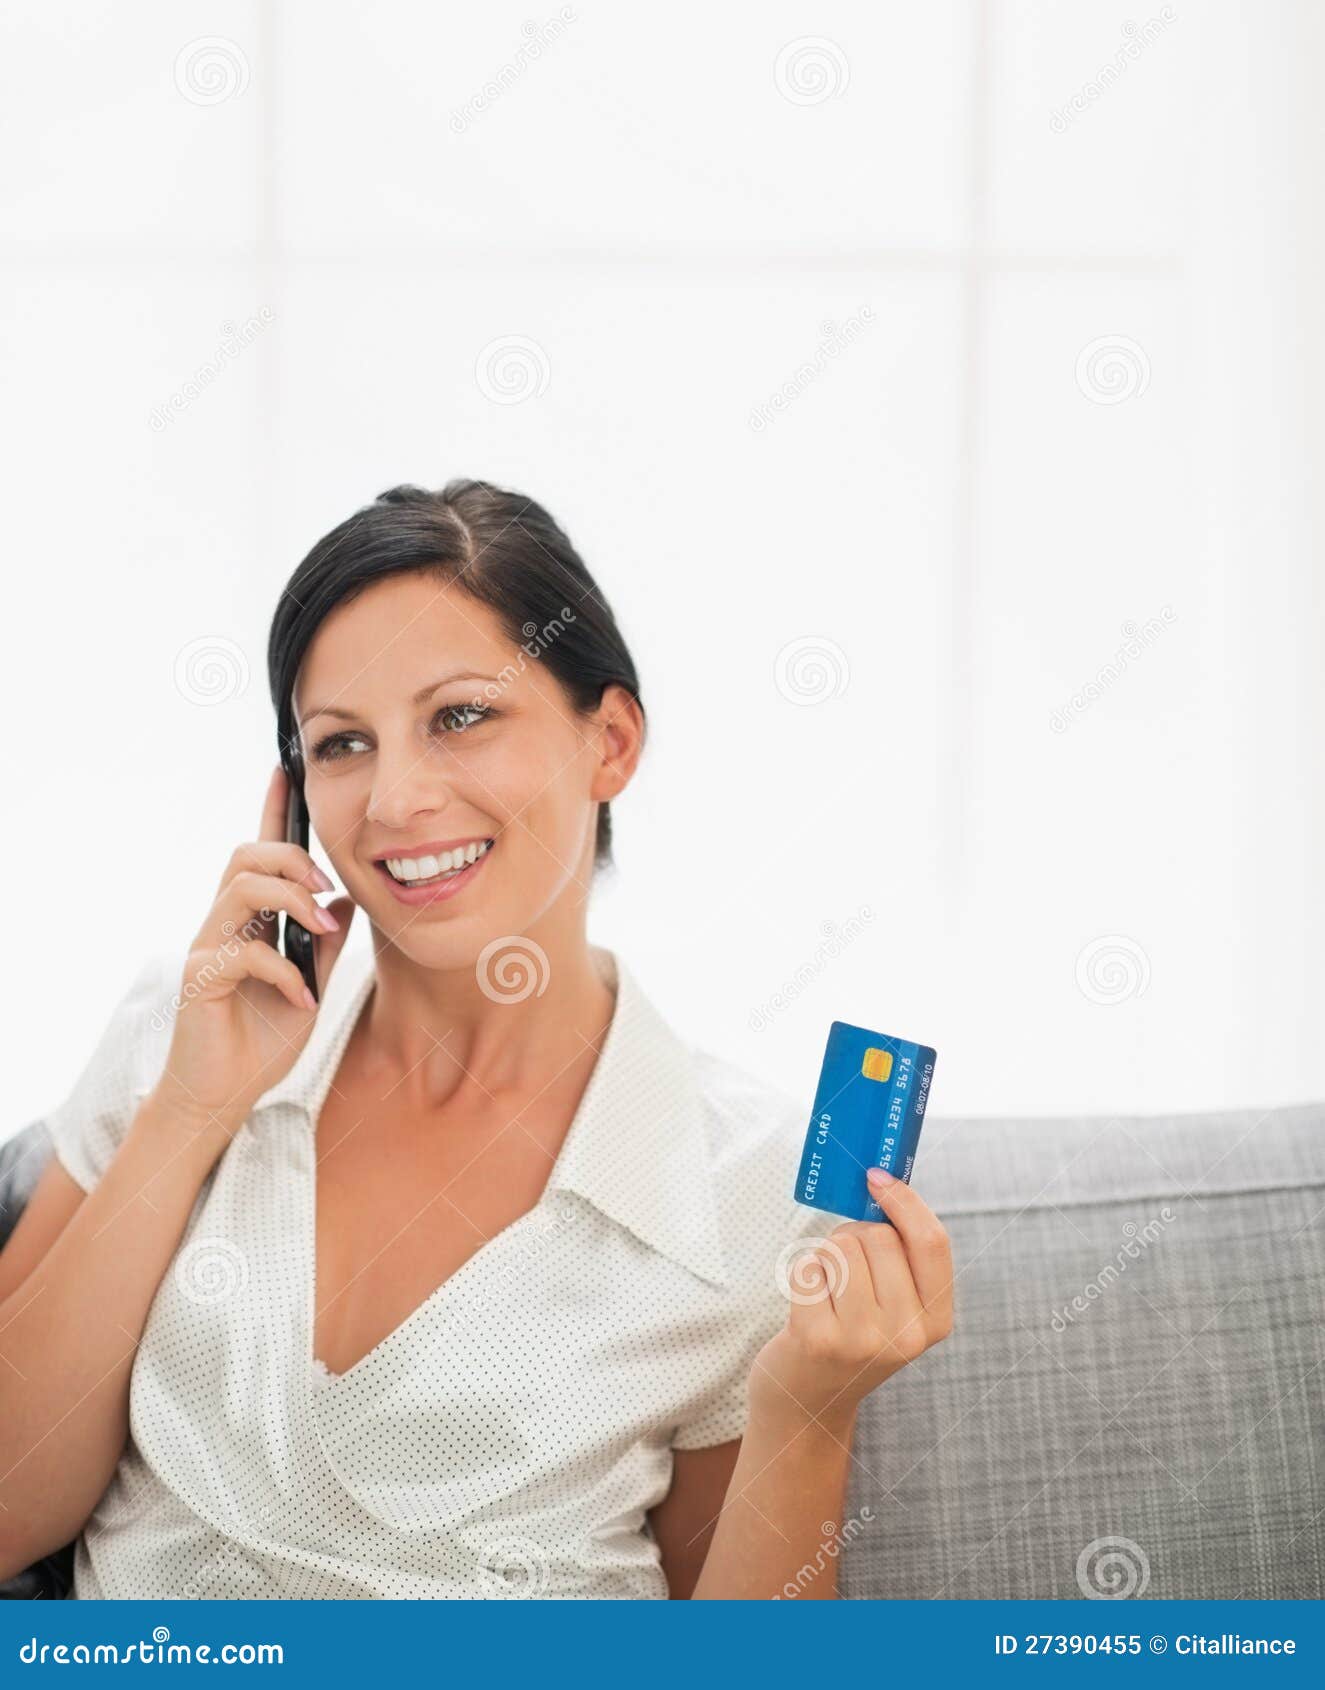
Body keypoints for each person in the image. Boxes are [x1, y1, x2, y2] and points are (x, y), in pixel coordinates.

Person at [0, 478, 952, 1599]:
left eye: (459, 716)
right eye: (341, 744)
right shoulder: (186, 1027)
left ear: (609, 741)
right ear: (294, 795)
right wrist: (191, 1111)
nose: (396, 798)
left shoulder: (740, 1185)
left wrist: (807, 1408)